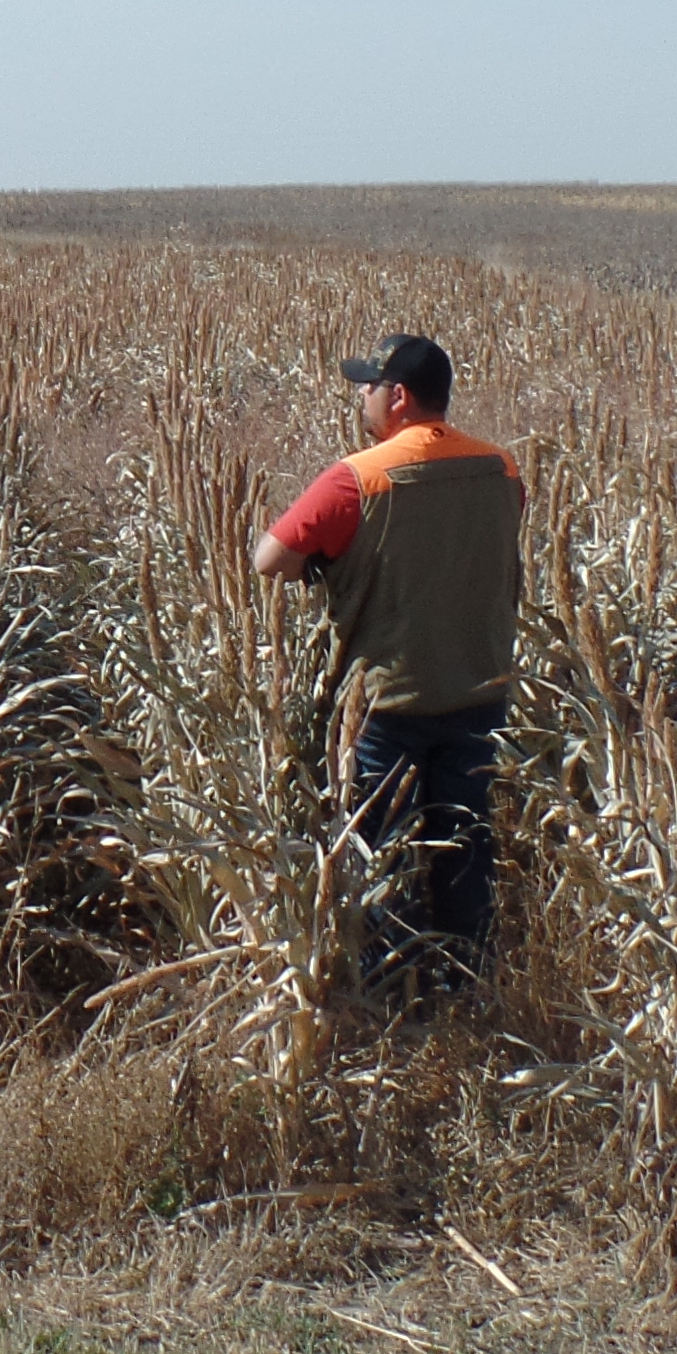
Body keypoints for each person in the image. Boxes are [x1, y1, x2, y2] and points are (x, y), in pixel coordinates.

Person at [251, 333, 527, 1006]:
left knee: (383, 866)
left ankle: (394, 1003)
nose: (361, 398)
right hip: (478, 695)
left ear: (397, 397)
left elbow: (270, 559)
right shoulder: (502, 469)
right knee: (466, 857)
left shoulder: (357, 478)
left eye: (367, 387)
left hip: (386, 706)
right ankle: (470, 998)